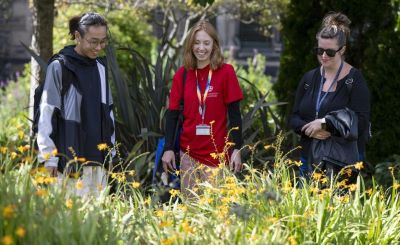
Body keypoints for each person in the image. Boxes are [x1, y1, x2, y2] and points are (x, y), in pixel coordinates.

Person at [161, 20, 244, 196]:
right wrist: (168, 148)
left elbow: (235, 115)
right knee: (191, 212)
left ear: (214, 45)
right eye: (197, 43)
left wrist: (237, 148)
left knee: (215, 212)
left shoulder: (226, 72)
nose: (201, 48)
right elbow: (173, 115)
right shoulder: (182, 75)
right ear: (191, 45)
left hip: (217, 156)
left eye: (206, 43)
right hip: (188, 155)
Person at [37, 12, 115, 197]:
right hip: (69, 163)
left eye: (103, 41)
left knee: (98, 221)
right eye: (93, 41)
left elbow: (108, 113)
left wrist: (111, 155)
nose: (98, 47)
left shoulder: (100, 68)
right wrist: (49, 158)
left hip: (98, 162)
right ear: (78, 36)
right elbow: (47, 113)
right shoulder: (60, 67)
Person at [290, 12, 370, 177]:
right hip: (309, 158)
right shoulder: (309, 78)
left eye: (330, 52)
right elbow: (294, 118)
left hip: (343, 162)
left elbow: (361, 122)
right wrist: (311, 130)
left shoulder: (355, 80)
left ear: (342, 50)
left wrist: (325, 124)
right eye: (320, 50)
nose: (324, 56)